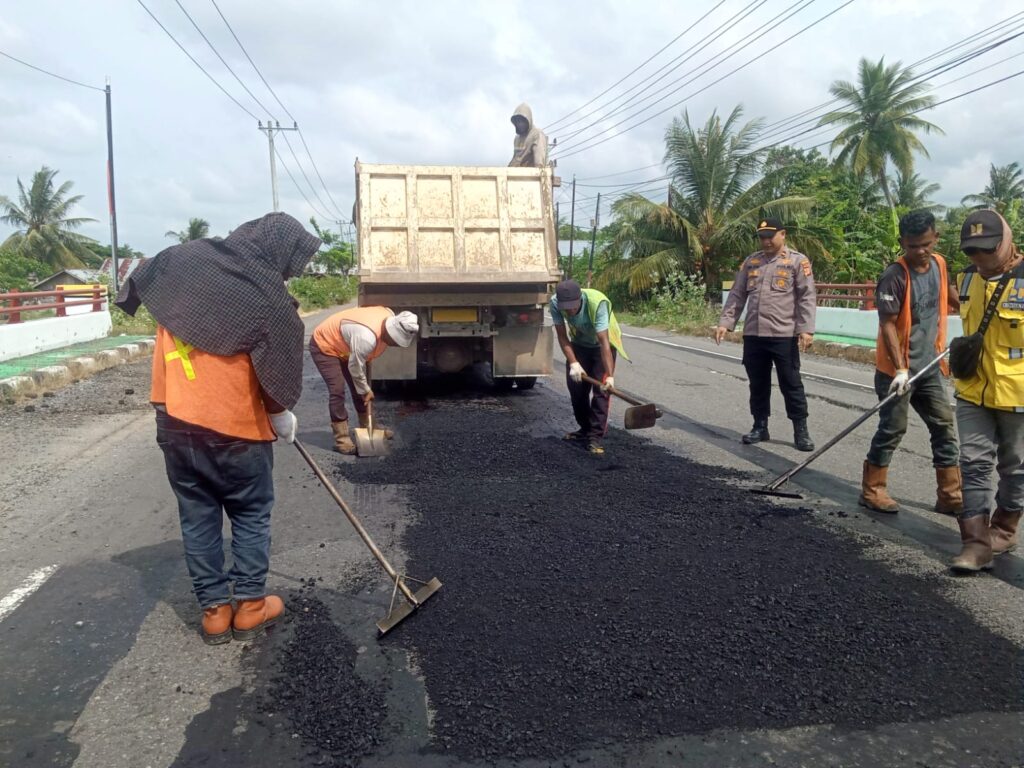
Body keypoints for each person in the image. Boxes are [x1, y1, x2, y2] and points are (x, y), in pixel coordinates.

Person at [115, 212, 321, 644]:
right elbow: (276, 369)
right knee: (249, 513)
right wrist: (280, 413)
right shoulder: (264, 297)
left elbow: (139, 277)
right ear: (276, 252)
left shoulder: (182, 267)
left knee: (198, 517)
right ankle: (249, 607)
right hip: (236, 429)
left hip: (175, 424)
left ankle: (213, 613)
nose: (284, 274)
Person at [860, 210, 961, 515]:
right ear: (902, 241)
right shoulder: (895, 275)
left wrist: (971, 308)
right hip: (897, 370)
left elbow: (950, 296)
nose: (920, 251)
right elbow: (888, 323)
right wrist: (901, 369)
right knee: (893, 428)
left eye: (926, 244)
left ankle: (950, 496)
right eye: (913, 245)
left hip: (929, 367)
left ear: (936, 238)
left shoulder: (940, 264)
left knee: (944, 426)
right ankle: (872, 490)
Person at [950, 209, 1024, 573]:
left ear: (1007, 243)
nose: (980, 259)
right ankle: (976, 544)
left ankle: (1005, 528)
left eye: (988, 250)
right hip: (973, 389)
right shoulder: (965, 280)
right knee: (974, 462)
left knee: (1016, 467)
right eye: (972, 251)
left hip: (1019, 394)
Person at [715, 217, 817, 451]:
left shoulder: (797, 262)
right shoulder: (752, 262)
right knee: (757, 383)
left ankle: (800, 431)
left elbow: (807, 297)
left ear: (783, 235)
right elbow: (737, 294)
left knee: (791, 383)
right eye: (762, 237)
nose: (766, 241)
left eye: (770, 236)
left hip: (784, 335)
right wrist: (726, 322)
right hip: (754, 334)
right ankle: (760, 426)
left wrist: (806, 329)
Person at [310, 307, 419, 454]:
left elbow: (359, 362)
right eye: (394, 340)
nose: (394, 344)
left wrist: (363, 388)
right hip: (326, 344)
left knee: (359, 388)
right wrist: (366, 389)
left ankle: (370, 428)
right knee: (337, 389)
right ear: (388, 331)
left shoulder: (389, 316)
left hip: (348, 346)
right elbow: (355, 367)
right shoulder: (366, 337)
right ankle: (342, 439)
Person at [550, 279, 629, 456]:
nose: (570, 310)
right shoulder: (555, 303)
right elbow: (562, 337)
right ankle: (585, 429)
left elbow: (604, 342)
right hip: (579, 344)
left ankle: (595, 436)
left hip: (602, 346)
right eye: (566, 307)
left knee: (601, 390)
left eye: (573, 306)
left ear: (581, 298)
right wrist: (574, 363)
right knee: (576, 389)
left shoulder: (597, 303)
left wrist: (609, 376)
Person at [508, 103, 548, 168]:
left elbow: (539, 162)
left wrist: (538, 175)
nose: (520, 124)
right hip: (516, 175)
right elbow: (515, 160)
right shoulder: (517, 139)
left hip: (530, 175)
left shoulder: (536, 134)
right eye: (518, 121)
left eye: (522, 121)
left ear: (528, 120)